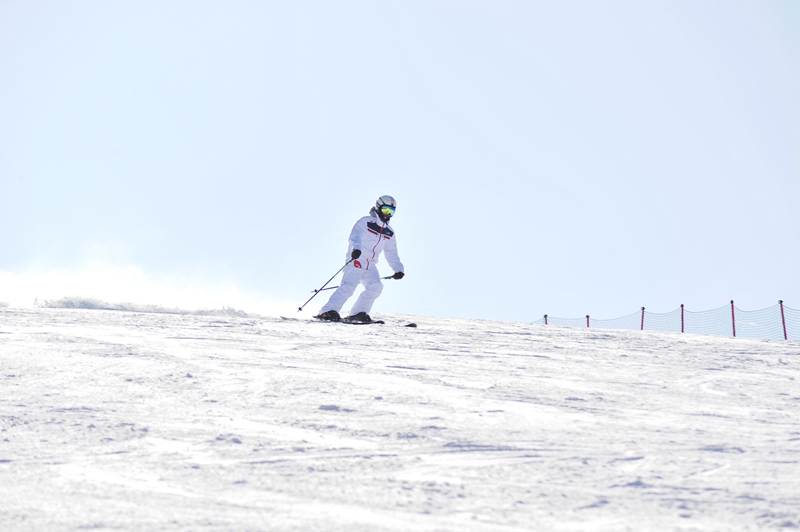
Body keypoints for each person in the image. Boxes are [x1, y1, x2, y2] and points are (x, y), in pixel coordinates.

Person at [316, 195, 405, 323]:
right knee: (349, 286)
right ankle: (327, 311)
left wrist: (398, 269)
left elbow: (392, 253)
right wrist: (356, 249)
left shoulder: (389, 232)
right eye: (386, 210)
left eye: (391, 211)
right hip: (357, 259)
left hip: (370, 265)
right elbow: (355, 236)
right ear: (378, 208)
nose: (388, 214)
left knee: (376, 286)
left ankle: (358, 313)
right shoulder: (366, 222)